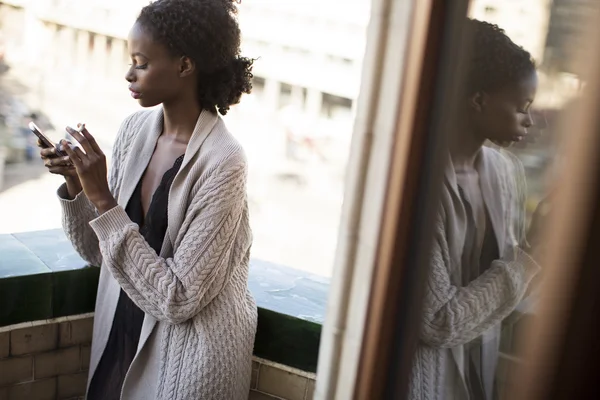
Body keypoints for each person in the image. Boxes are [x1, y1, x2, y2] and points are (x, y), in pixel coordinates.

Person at [39, 0, 257, 399]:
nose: (129, 73)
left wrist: (103, 198)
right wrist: (77, 184)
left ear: (185, 66)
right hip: (120, 338)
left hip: (184, 363)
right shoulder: (134, 130)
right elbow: (100, 252)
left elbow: (179, 298)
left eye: (141, 62)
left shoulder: (225, 161)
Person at [409, 19, 543, 399]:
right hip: (422, 383)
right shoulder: (421, 185)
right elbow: (436, 321)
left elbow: (505, 289)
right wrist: (530, 257)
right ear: (478, 100)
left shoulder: (505, 171)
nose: (530, 121)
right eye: (521, 107)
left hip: (480, 379)